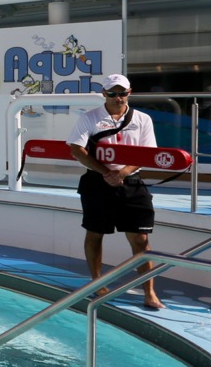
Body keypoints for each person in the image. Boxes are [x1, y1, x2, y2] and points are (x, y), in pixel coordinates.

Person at [68, 73, 163, 309]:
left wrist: (121, 173)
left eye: (122, 93)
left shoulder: (143, 119)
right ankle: (97, 283)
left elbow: (147, 153)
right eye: (112, 93)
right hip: (97, 183)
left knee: (140, 239)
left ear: (129, 93)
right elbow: (77, 149)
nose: (117, 97)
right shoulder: (89, 118)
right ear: (104, 93)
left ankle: (149, 292)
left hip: (131, 182)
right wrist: (105, 172)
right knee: (95, 233)